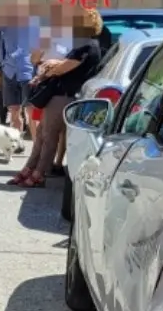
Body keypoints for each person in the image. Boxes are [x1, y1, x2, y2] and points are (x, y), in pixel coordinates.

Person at [8, 10, 103, 188]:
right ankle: (29, 168)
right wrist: (54, 64)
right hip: (58, 94)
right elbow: (55, 64)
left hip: (65, 95)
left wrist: (53, 65)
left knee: (49, 136)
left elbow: (62, 69)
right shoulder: (81, 45)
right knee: (42, 135)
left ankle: (39, 174)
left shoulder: (87, 46)